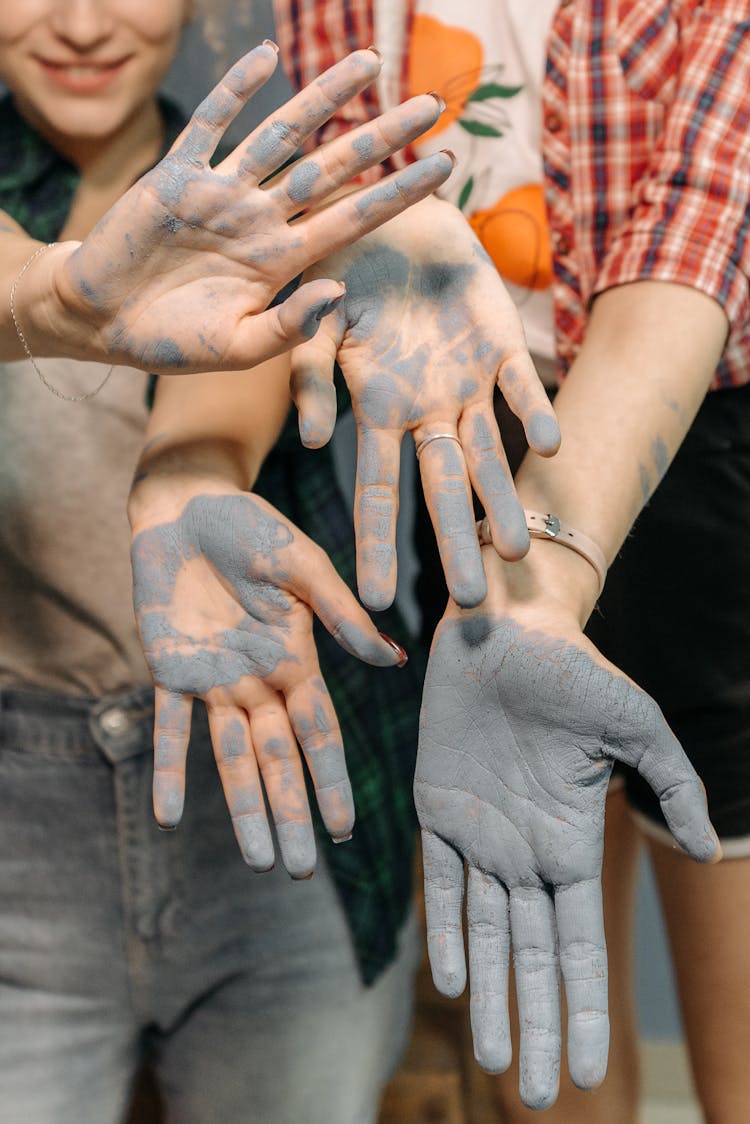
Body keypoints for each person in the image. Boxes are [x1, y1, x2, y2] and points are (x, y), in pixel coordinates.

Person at [273, 0, 749, 1118]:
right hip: (455, 441)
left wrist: (539, 583)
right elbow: (320, 188)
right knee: (540, 1026)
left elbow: (706, 213)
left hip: (704, 438)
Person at [0, 4, 461, 1122]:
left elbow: (242, 348)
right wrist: (64, 300)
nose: (80, 22)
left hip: (274, 797)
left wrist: (190, 478)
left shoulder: (251, 189)